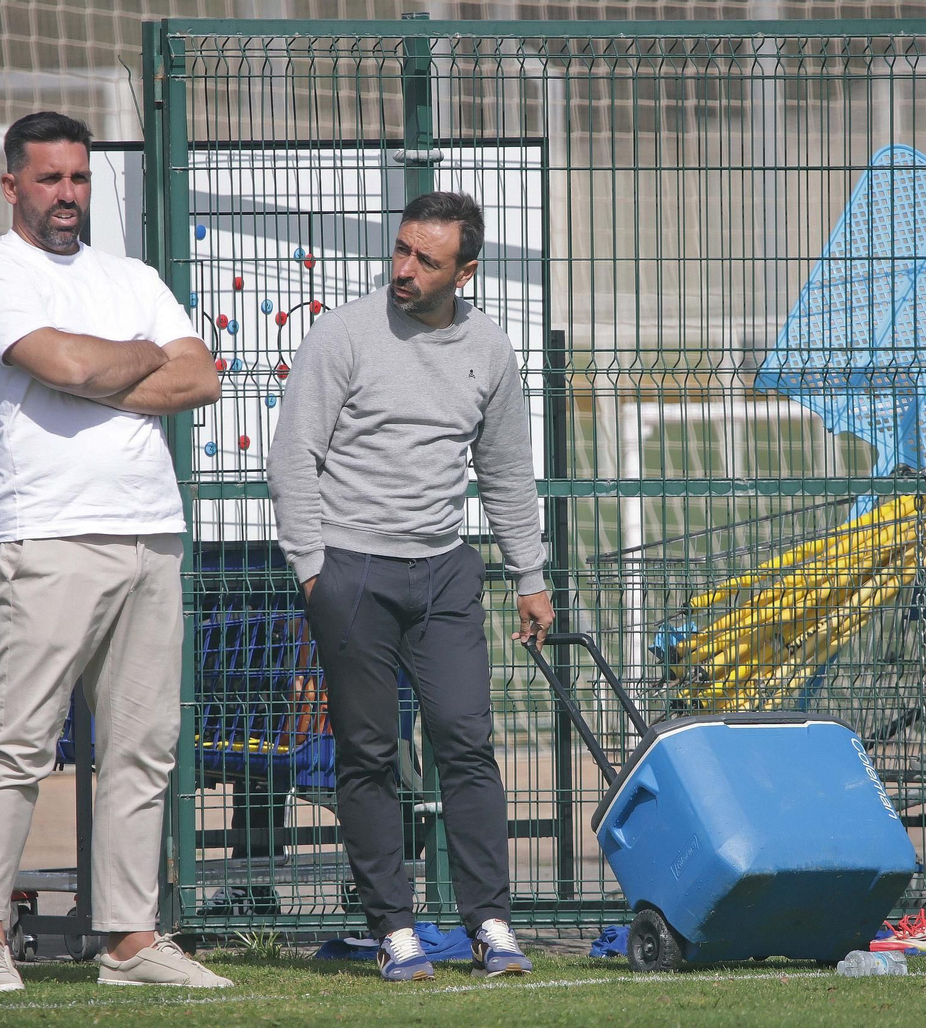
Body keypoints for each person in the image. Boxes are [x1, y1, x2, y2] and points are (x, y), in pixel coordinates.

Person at [0, 111, 230, 991]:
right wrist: (138, 363)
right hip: (48, 536)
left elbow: (203, 378)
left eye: (77, 179)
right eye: (48, 179)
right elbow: (61, 362)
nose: (66, 195)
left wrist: (112, 368)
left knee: (144, 746)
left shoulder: (131, 276)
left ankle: (129, 943)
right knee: (21, 744)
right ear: (11, 186)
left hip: (150, 531)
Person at [268, 191, 554, 982]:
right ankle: (394, 931)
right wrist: (313, 570)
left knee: (466, 744)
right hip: (351, 573)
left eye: (426, 260)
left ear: (465, 270)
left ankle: (491, 925)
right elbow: (294, 457)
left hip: (446, 571)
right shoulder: (345, 335)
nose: (403, 269)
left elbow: (503, 472)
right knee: (365, 755)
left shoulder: (489, 349)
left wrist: (530, 575)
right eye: (400, 251)